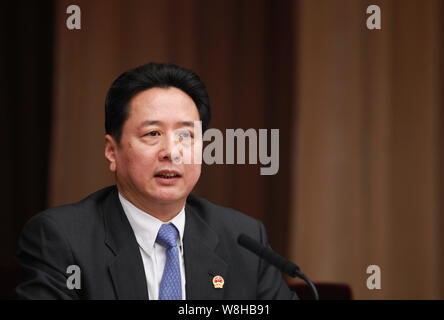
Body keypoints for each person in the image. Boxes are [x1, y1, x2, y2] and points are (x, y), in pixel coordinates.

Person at [15, 62, 297, 300]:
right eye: (152, 134)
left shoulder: (243, 240)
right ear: (112, 151)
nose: (171, 152)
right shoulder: (61, 239)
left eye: (186, 135)